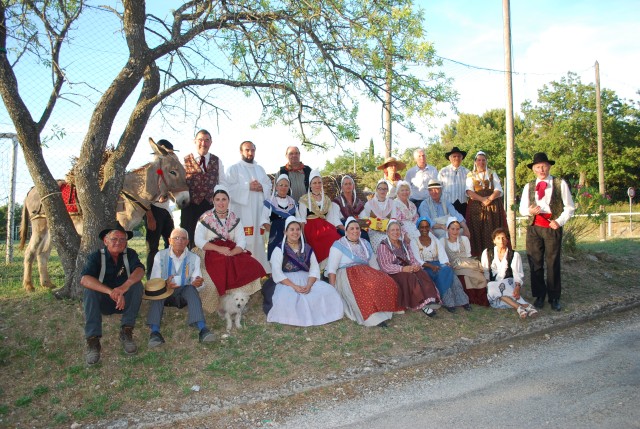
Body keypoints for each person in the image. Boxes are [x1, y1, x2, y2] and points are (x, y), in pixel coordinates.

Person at [80, 224, 144, 365]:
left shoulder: (130, 254)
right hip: (104, 301)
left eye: (122, 239)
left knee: (137, 286)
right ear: (105, 241)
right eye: (114, 239)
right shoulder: (96, 256)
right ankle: (93, 340)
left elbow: (140, 270)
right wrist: (112, 292)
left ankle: (126, 331)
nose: (118, 242)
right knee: (90, 290)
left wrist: (123, 288)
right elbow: (85, 279)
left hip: (124, 301)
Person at [519, 152, 575, 311]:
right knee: (535, 263)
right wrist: (529, 211)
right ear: (533, 169)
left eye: (544, 166)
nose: (541, 169)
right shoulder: (528, 186)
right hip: (534, 228)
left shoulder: (559, 183)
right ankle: (539, 295)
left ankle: (554, 296)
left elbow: (570, 207)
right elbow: (522, 209)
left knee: (552, 263)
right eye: (538, 167)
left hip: (552, 227)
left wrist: (559, 221)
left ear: (549, 166)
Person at [266, 217, 344, 326]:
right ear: (285, 232)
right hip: (287, 281)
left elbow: (314, 269)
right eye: (292, 229)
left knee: (328, 291)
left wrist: (309, 285)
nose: (295, 232)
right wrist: (294, 286)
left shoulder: (307, 248)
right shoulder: (279, 249)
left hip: (307, 279)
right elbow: (277, 273)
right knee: (291, 299)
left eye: (298, 229)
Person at [144, 227, 215, 346]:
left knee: (191, 289)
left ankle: (202, 329)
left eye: (183, 239)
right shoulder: (160, 256)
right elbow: (154, 281)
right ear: (170, 240)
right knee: (158, 292)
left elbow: (196, 280)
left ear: (187, 242)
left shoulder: (194, 258)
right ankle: (155, 332)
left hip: (183, 295)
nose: (180, 241)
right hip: (165, 294)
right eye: (176, 238)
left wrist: (199, 283)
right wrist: (165, 283)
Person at [327, 217, 403, 327]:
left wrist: (380, 275)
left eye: (357, 228)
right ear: (346, 230)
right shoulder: (338, 245)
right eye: (351, 228)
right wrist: (332, 289)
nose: (355, 231)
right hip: (347, 275)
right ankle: (374, 317)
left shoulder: (365, 243)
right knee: (365, 287)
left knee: (386, 281)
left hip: (365, 271)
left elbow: (373, 263)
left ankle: (387, 308)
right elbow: (332, 269)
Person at [194, 185, 266, 299]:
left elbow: (241, 240)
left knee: (251, 263)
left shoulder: (234, 218)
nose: (221, 203)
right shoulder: (206, 218)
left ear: (228, 201)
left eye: (224, 199)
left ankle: (242, 294)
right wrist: (219, 249)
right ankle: (225, 294)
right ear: (213, 201)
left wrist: (233, 252)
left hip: (231, 249)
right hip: (211, 250)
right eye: (217, 199)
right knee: (222, 263)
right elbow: (198, 240)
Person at [377, 220, 441, 316]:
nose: (395, 232)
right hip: (393, 272)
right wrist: (402, 269)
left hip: (407, 268)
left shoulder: (404, 244)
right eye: (393, 230)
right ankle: (422, 304)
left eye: (397, 230)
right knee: (409, 277)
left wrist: (415, 266)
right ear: (388, 232)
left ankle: (431, 299)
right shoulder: (383, 246)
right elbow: (385, 266)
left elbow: (412, 258)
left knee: (422, 273)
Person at [227, 141, 272, 272]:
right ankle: (245, 272)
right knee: (244, 241)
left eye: (252, 150)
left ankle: (260, 270)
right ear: (241, 151)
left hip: (258, 213)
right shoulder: (233, 169)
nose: (250, 153)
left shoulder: (260, 169)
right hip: (242, 214)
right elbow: (228, 189)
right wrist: (248, 187)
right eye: (247, 150)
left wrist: (261, 187)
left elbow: (268, 185)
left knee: (258, 242)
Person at [411, 217, 471, 313]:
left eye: (427, 227)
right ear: (418, 228)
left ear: (430, 227)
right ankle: (449, 302)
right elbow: (417, 260)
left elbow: (442, 256)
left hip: (437, 264)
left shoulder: (435, 240)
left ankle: (463, 301)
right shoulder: (414, 242)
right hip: (425, 268)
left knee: (449, 272)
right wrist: (431, 266)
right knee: (444, 273)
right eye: (422, 227)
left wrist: (446, 264)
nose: (424, 229)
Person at [181, 129, 226, 249]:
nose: (203, 143)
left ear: (211, 143)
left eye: (207, 140)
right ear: (195, 142)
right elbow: (179, 184)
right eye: (200, 140)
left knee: (210, 239)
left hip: (209, 207)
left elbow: (222, 183)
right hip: (189, 207)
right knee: (188, 239)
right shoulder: (184, 161)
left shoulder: (217, 160)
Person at [481, 228, 538, 319]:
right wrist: (486, 283)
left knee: (495, 288)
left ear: (507, 240)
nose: (501, 241)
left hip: (509, 282)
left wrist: (517, 287)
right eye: (498, 238)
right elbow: (485, 270)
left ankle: (520, 307)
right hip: (493, 284)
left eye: (504, 238)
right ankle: (523, 306)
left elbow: (517, 274)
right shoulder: (487, 252)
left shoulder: (514, 255)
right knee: (491, 286)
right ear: (494, 240)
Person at [465, 151, 507, 256]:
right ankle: (480, 256)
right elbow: (469, 191)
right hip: (476, 206)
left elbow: (498, 189)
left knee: (493, 229)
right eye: (479, 160)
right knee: (477, 231)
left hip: (493, 206)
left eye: (483, 160)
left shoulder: (492, 173)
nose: (481, 162)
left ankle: (496, 254)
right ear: (475, 162)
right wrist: (482, 199)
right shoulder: (470, 175)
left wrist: (490, 199)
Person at [145, 139, 176, 278]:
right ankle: (151, 278)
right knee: (152, 247)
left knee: (171, 244)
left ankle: (168, 274)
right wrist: (150, 216)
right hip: (153, 209)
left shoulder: (169, 170)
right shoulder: (150, 169)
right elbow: (144, 197)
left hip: (166, 211)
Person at [441, 217, 489, 307]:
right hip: (454, 265)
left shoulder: (464, 239)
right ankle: (472, 298)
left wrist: (468, 265)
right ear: (447, 229)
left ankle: (481, 297)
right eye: (452, 229)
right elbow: (443, 258)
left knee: (477, 274)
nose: (455, 232)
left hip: (467, 263)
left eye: (457, 229)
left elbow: (468, 255)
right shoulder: (443, 241)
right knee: (466, 276)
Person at [298, 170, 342, 266]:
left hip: (325, 226)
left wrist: (333, 229)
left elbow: (330, 218)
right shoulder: (304, 199)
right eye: (314, 183)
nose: (317, 185)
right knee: (320, 241)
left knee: (336, 238)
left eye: (319, 182)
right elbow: (302, 219)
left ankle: (332, 266)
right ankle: (322, 267)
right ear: (310, 185)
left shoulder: (326, 199)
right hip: (310, 228)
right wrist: (302, 237)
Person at [262, 174, 301, 261]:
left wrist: (294, 233)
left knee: (293, 258)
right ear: (276, 187)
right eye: (281, 185)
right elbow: (264, 220)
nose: (283, 187)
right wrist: (274, 232)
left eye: (286, 185)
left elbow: (298, 219)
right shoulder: (270, 202)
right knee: (277, 257)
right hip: (276, 234)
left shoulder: (292, 202)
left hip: (292, 234)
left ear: (289, 188)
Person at [361, 179, 395, 253]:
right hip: (374, 231)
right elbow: (365, 220)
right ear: (376, 190)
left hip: (389, 229)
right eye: (380, 189)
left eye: (385, 189)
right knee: (383, 240)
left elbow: (394, 219)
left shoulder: (392, 203)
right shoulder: (369, 204)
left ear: (387, 190)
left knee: (396, 239)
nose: (382, 191)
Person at [333, 175, 369, 242]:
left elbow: (364, 218)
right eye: (345, 184)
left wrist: (357, 227)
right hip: (343, 226)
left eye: (350, 184)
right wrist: (346, 229)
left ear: (353, 186)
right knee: (350, 236)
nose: (348, 186)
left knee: (364, 236)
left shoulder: (358, 202)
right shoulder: (337, 201)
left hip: (356, 225)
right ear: (342, 187)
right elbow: (336, 220)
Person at [438, 146, 470, 218]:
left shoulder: (467, 172)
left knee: (462, 226)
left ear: (462, 158)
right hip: (447, 205)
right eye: (454, 156)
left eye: (459, 156)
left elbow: (469, 189)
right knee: (448, 226)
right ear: (450, 158)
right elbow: (439, 188)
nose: (457, 158)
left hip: (462, 205)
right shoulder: (443, 171)